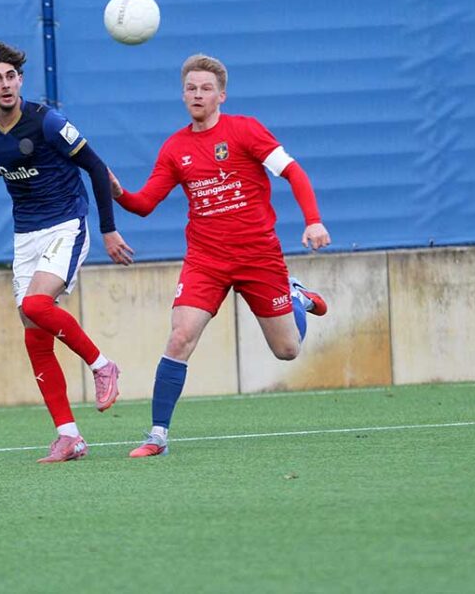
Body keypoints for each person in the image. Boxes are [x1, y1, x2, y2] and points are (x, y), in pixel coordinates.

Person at [0, 41, 134, 463]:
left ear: (20, 80)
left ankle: (102, 365)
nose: (6, 84)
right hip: (26, 235)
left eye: (12, 76)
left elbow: (93, 164)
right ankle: (68, 435)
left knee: (37, 304)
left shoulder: (48, 122)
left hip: (66, 223)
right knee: (32, 329)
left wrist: (109, 231)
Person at [109, 53, 331, 458]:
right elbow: (144, 204)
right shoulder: (176, 148)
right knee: (180, 337)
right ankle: (157, 435)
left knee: (287, 350)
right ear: (183, 95)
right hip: (205, 260)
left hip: (258, 256)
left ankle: (295, 295)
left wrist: (313, 221)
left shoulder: (246, 131)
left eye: (206, 88)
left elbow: (294, 172)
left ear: (221, 95)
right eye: (191, 88)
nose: (197, 94)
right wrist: (118, 191)